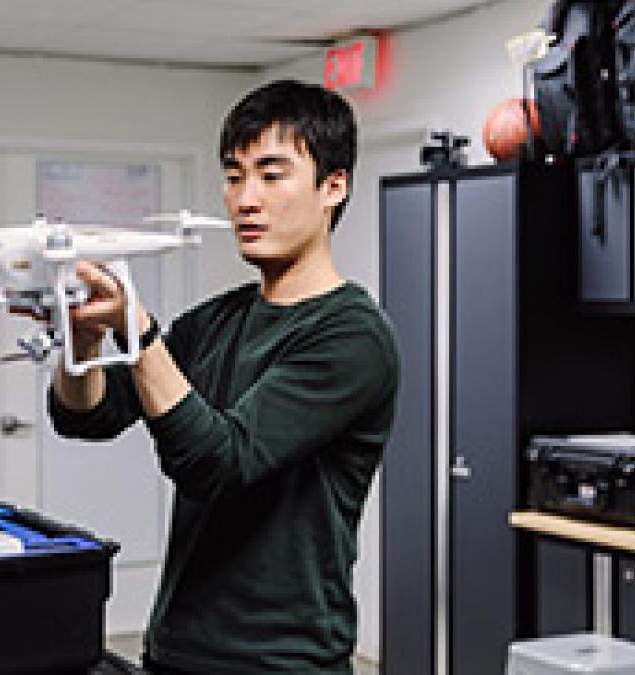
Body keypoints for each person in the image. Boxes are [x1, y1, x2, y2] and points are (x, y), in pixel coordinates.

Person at [48, 79, 399, 673]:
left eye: (271, 174)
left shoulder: (352, 337)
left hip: (280, 662)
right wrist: (82, 335)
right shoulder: (219, 320)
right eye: (233, 176)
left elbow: (220, 463)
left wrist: (138, 334)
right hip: (176, 652)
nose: (244, 199)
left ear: (332, 187)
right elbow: (87, 415)